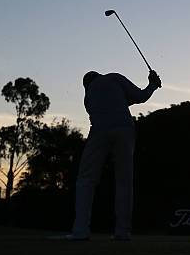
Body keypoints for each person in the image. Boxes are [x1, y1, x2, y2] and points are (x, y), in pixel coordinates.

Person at [67, 70, 161, 240]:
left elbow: (116, 104)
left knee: (86, 179)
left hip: (99, 131)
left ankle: (80, 230)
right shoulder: (114, 78)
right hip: (124, 129)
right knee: (124, 181)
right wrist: (152, 85)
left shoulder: (88, 98)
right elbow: (138, 97)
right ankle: (122, 232)